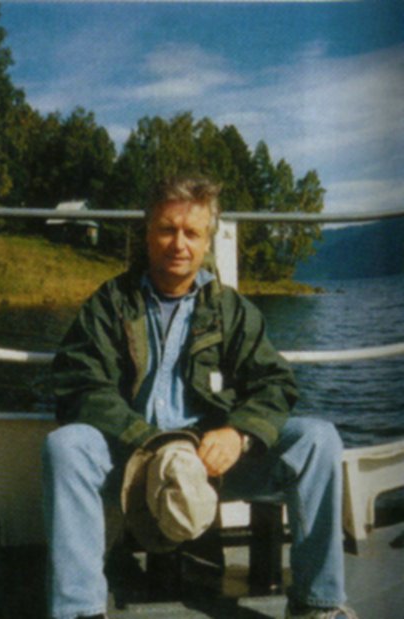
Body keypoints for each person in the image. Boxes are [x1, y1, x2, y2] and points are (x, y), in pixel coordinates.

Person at [43, 176, 358, 619]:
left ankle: (316, 604)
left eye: (192, 232)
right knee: (65, 446)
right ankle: (78, 611)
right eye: (167, 229)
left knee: (318, 439)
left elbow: (275, 383)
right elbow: (79, 383)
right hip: (132, 459)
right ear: (147, 234)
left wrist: (239, 433)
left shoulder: (231, 310)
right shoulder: (111, 304)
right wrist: (147, 440)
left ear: (207, 240)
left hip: (214, 466)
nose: (179, 244)